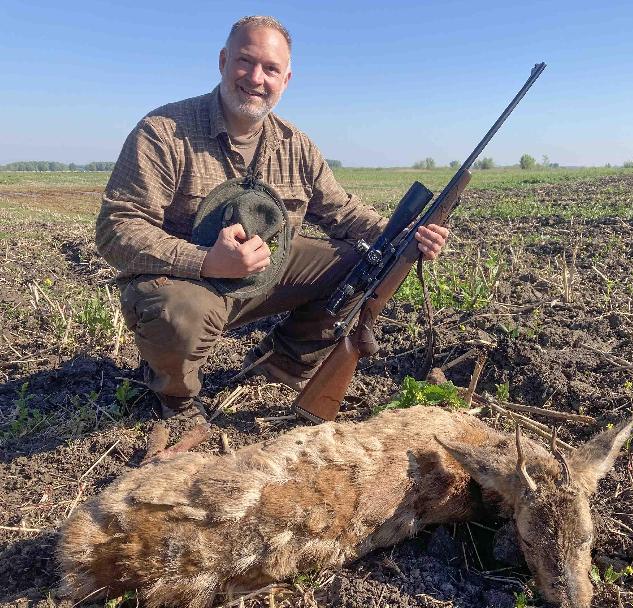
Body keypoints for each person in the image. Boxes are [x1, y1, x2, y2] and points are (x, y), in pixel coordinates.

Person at [97, 16, 449, 419]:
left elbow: (344, 212)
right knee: (179, 316)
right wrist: (206, 260)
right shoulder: (163, 132)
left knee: (371, 262)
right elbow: (116, 228)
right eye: (245, 61)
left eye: (271, 69)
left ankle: (284, 362)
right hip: (188, 285)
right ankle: (175, 396)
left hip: (265, 278)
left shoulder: (295, 145)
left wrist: (409, 235)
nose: (256, 77)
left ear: (287, 79)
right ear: (223, 61)